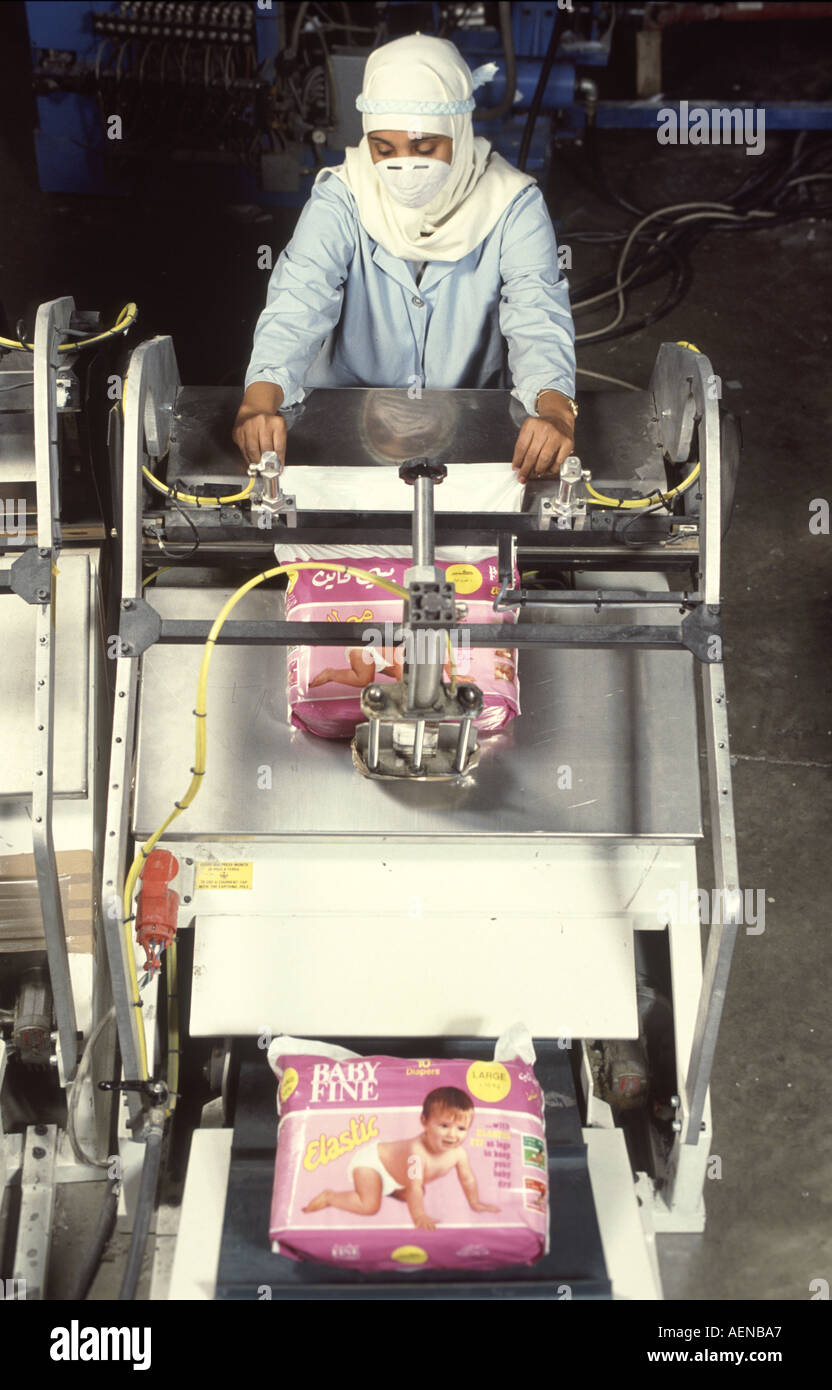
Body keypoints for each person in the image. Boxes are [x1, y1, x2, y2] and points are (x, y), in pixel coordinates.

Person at [233, 33, 577, 485]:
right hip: (342, 426)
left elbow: (538, 318)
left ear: (459, 129)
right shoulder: (342, 197)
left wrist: (555, 412)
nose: (404, 167)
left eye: (424, 148)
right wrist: (258, 403)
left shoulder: (512, 204)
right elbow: (299, 300)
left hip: (472, 431)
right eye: (384, 149)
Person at [302, 1085, 500, 1230]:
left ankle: (391, 1191)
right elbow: (413, 1186)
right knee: (370, 1205)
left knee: (418, 1191)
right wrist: (419, 1216)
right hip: (373, 1164)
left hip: (397, 1175)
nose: (452, 1134)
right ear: (424, 1122)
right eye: (444, 1126)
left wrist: (475, 1202)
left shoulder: (459, 1154)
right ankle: (330, 1196)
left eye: (461, 1128)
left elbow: (467, 1179)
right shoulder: (417, 1153)